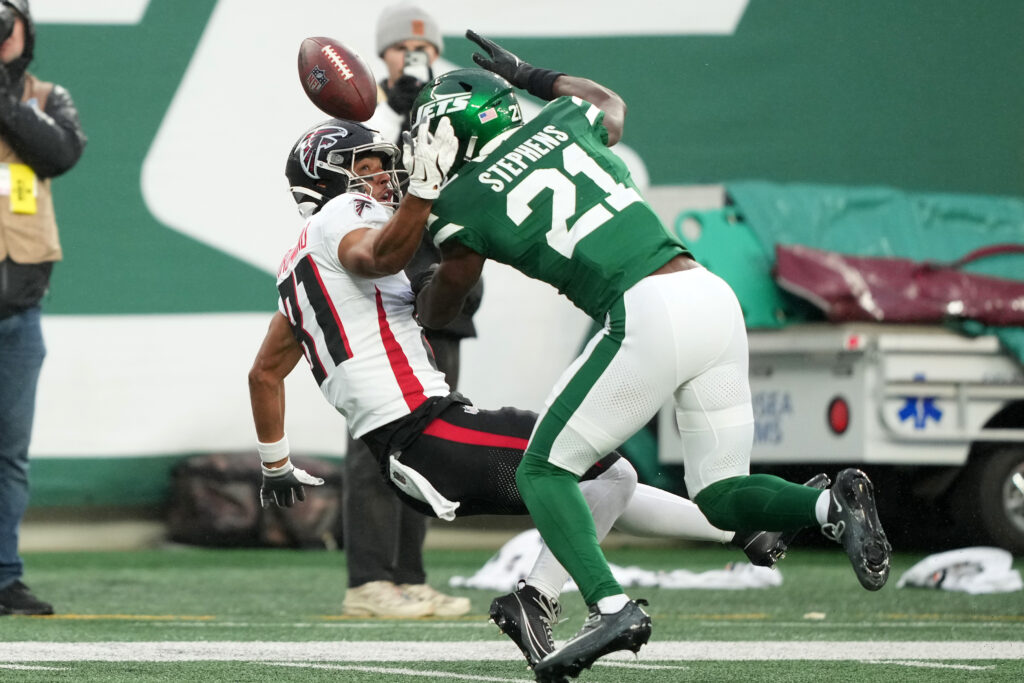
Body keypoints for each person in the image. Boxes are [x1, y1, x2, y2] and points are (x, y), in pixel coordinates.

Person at [410, 31, 893, 681]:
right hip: (711, 297)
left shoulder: (461, 202)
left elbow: (449, 296)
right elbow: (609, 101)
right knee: (720, 496)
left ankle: (608, 605)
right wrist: (531, 74)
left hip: (646, 310)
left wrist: (415, 299)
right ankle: (829, 508)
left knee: (543, 471)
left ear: (452, 135)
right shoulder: (563, 122)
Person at [247, 116, 808, 668]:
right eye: (363, 169)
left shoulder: (297, 269)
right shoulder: (341, 215)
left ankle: (744, 530)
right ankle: (538, 599)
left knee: (593, 482)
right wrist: (424, 192)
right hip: (429, 432)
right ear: (322, 183)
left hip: (413, 446)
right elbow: (378, 257)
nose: (382, 179)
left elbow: (265, 373)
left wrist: (276, 465)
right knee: (603, 474)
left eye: (382, 168)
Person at [340, 2, 477, 618]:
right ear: (383, 55)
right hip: (387, 303)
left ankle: (410, 576)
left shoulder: (452, 115)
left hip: (445, 303)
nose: (412, 58)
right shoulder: (368, 120)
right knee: (375, 445)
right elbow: (381, 185)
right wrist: (403, 103)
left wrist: (428, 103)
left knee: (431, 446)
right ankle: (369, 581)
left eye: (422, 49)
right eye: (401, 49)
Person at [0, 0, 87, 617]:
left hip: (20, 309)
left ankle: (4, 577)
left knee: (9, 453)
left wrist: (3, 98)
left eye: (7, 21)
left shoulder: (48, 94)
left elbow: (59, 155)